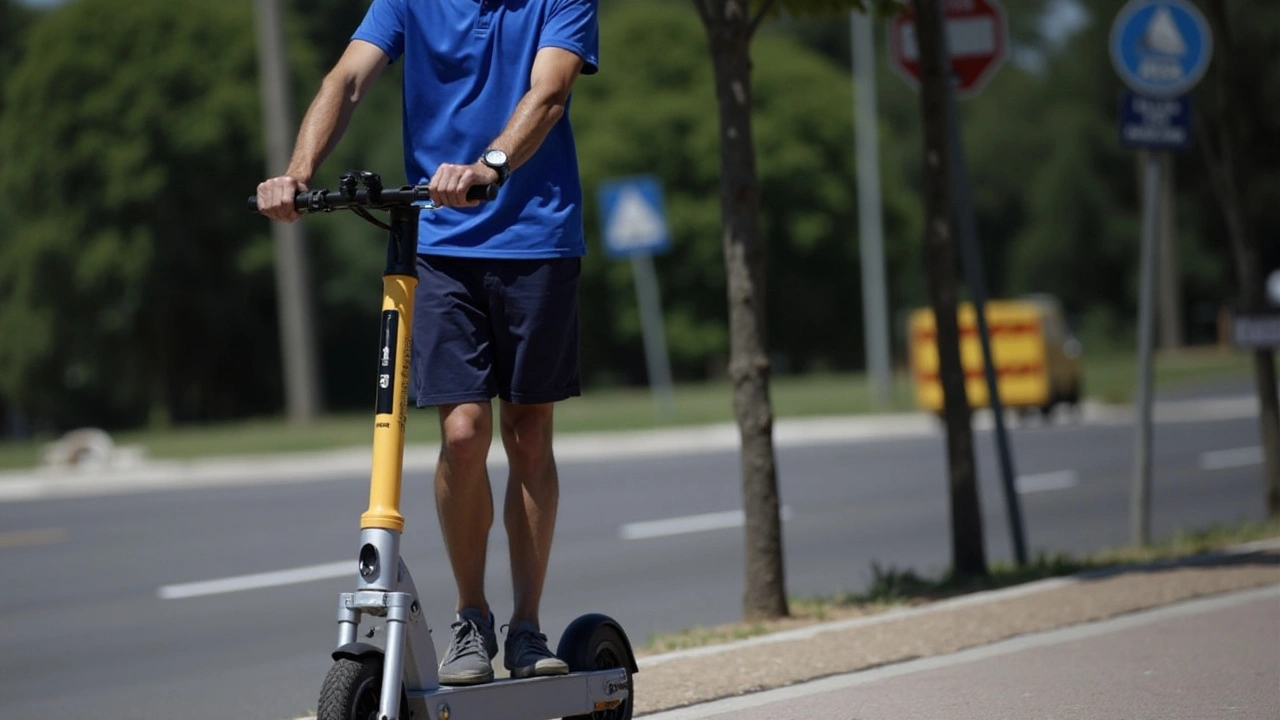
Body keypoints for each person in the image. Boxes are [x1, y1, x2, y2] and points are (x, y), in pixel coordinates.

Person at [256, 0, 599, 687]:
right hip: (440, 242)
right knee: (465, 431)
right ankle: (472, 616)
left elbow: (551, 89)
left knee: (528, 433)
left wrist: (490, 165)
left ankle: (527, 626)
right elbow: (349, 78)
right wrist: (297, 169)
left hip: (536, 236)